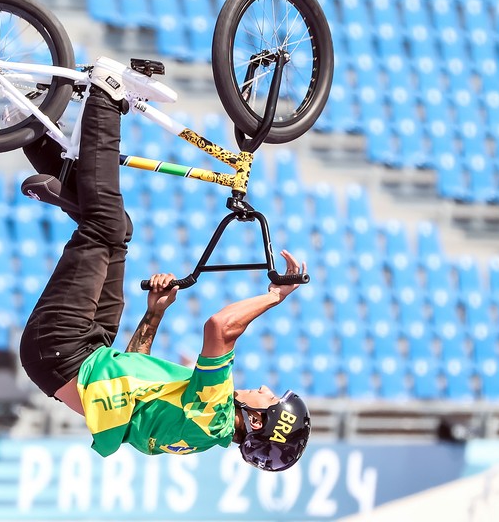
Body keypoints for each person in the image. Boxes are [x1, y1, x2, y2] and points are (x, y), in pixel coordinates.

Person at [18, 58, 311, 470]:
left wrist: (273, 297)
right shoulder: (194, 433)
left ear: (259, 419)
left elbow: (219, 327)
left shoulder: (214, 417)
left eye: (271, 399)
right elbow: (133, 376)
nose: (266, 387)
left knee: (104, 227)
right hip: (90, 352)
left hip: (62, 351)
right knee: (117, 231)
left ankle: (105, 94)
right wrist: (154, 315)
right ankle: (27, 126)